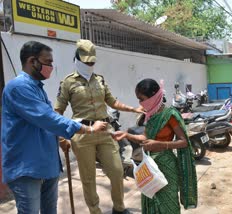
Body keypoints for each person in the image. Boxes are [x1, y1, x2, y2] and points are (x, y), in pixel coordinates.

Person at [1, 41, 107, 214]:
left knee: (50, 210)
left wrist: (59, 139)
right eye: (47, 62)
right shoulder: (18, 87)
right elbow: (47, 118)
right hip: (26, 167)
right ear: (32, 61)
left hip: (46, 163)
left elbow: (44, 122)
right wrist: (88, 129)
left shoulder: (37, 89)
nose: (51, 66)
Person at [54, 39, 143, 214]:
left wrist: (133, 108)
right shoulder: (68, 82)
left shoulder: (100, 80)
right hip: (82, 134)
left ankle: (119, 208)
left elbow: (113, 101)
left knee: (117, 171)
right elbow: (57, 111)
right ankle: (95, 211)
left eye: (92, 62)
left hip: (105, 132)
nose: (90, 64)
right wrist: (62, 137)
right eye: (86, 61)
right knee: (88, 178)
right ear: (77, 59)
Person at [112, 78, 197, 214]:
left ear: (153, 97)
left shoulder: (170, 114)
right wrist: (126, 135)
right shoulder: (150, 115)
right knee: (152, 203)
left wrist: (160, 144)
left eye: (142, 99)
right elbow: (145, 138)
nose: (140, 103)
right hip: (150, 166)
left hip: (167, 167)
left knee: (169, 206)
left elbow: (184, 142)